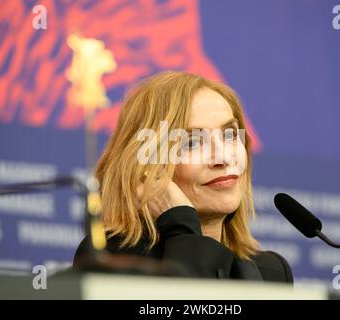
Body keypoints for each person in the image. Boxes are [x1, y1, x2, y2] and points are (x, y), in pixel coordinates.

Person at [74, 71, 293, 283]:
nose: (223, 157)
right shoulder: (113, 260)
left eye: (230, 135)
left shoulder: (272, 272)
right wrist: (180, 224)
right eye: (191, 143)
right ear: (147, 167)